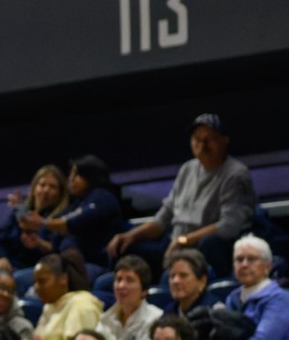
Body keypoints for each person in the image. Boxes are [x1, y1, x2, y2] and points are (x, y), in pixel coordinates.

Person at [109, 113, 258, 278]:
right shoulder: (187, 169)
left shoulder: (235, 174)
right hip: (174, 242)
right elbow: (163, 219)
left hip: (203, 247)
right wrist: (130, 235)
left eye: (209, 139)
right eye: (197, 139)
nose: (202, 145)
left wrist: (184, 241)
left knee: (211, 244)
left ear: (225, 140)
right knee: (125, 247)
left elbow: (229, 226)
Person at [29, 253, 103, 340]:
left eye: (42, 281)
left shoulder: (82, 304)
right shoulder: (50, 305)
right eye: (35, 282)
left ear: (63, 279)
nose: (36, 288)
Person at [0, 164, 68, 277]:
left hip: (34, 268)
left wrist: (38, 243)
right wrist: (0, 257)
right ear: (34, 188)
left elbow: (57, 252)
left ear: (60, 194)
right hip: (8, 264)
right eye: (42, 185)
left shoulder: (59, 220)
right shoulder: (21, 211)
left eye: (52, 187)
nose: (46, 190)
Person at [98, 257, 161, 340]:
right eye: (118, 279)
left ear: (144, 291)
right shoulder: (105, 318)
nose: (121, 286)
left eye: (130, 280)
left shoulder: (155, 319)